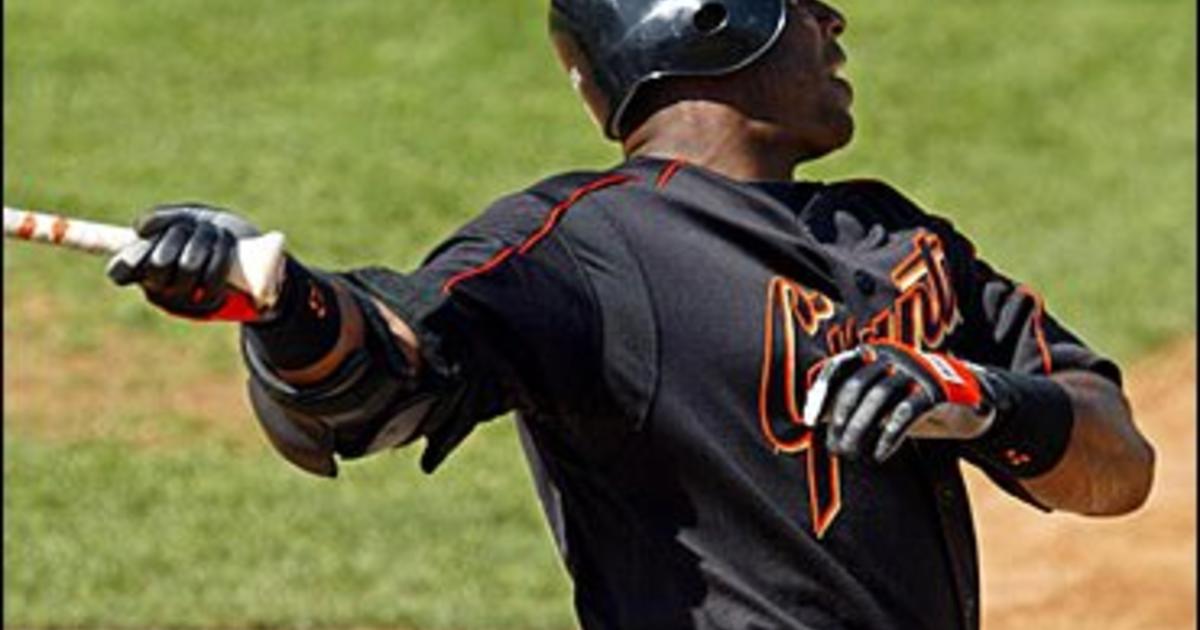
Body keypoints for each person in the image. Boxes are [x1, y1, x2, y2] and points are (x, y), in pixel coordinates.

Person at [105, 0, 1156, 628]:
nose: (834, 21)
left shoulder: (903, 238)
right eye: (801, 2)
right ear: (711, 15)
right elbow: (388, 366)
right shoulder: (586, 244)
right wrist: (280, 302)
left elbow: (1115, 465)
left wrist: (978, 399)